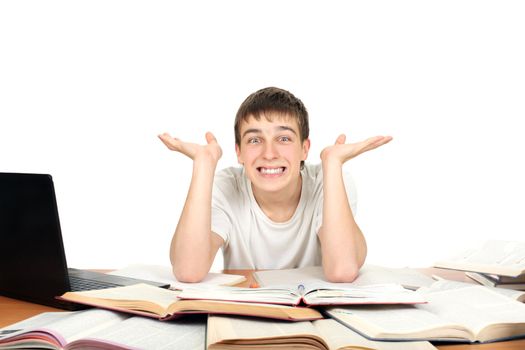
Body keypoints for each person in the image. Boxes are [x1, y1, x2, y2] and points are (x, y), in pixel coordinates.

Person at [159, 87, 392, 283]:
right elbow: (188, 271)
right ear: (238, 152)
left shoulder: (328, 180)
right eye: (254, 140)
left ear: (304, 148)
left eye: (283, 139)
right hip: (247, 316)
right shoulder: (225, 186)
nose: (269, 153)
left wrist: (332, 163)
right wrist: (203, 165)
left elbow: (342, 270)